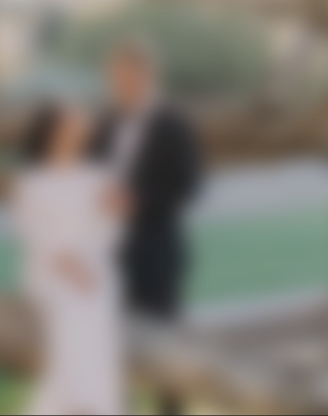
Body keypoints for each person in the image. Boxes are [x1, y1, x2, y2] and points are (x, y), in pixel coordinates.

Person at [94, 44, 203, 416]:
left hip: (157, 251)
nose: (118, 83)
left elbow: (189, 185)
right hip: (108, 253)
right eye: (114, 76)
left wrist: (138, 201)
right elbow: (92, 174)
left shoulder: (173, 123)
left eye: (125, 74)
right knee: (113, 345)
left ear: (145, 75)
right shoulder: (106, 121)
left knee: (164, 346)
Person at [12, 104, 126, 416]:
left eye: (78, 123)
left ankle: (91, 403)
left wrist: (115, 210)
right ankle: (82, 405)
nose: (77, 128)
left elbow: (110, 232)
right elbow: (33, 232)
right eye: (69, 124)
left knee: (92, 299)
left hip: (94, 268)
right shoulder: (32, 182)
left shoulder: (99, 177)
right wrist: (67, 263)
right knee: (73, 304)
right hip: (50, 270)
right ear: (53, 132)